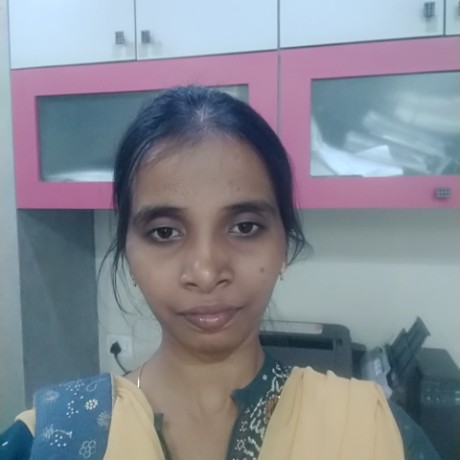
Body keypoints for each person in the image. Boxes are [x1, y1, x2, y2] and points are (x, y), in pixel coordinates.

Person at [1, 86, 438, 460]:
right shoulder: (50, 438)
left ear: (284, 245)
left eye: (244, 227)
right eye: (165, 232)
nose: (207, 272)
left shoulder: (376, 433)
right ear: (128, 254)